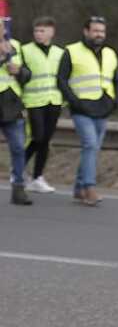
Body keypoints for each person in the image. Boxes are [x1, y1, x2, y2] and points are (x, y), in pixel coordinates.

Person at [57, 16, 118, 206]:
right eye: (95, 30)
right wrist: (74, 102)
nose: (99, 34)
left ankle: (78, 188)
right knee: (90, 145)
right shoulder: (71, 51)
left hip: (102, 108)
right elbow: (61, 80)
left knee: (91, 148)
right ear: (86, 31)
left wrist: (114, 101)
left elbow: (116, 79)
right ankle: (89, 188)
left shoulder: (110, 53)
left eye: (102, 31)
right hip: (81, 108)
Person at [21, 17, 65, 193]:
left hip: (54, 100)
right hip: (33, 100)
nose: (38, 34)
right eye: (36, 31)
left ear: (51, 32)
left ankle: (37, 177)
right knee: (37, 137)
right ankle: (18, 167)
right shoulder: (25, 50)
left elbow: (63, 77)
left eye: (42, 31)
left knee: (45, 140)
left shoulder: (59, 53)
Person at [1, 36, 33, 205]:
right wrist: (3, 58)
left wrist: (19, 71)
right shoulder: (6, 50)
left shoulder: (15, 45)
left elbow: (28, 74)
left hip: (11, 105)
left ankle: (18, 189)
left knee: (19, 148)